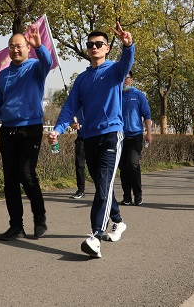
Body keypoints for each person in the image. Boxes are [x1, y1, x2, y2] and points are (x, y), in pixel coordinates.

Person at [48, 23, 134, 258]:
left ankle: (95, 236)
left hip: (111, 135)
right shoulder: (82, 79)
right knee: (101, 185)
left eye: (99, 44)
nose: (94, 47)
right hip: (89, 137)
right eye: (90, 45)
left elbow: (127, 62)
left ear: (107, 48)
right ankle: (118, 220)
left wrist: (128, 45)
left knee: (104, 184)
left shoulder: (115, 70)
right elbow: (70, 107)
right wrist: (58, 129)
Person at [0, 24, 52, 241]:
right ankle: (16, 226)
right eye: (11, 46)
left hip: (30, 128)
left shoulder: (36, 68)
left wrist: (40, 47)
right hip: (8, 130)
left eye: (19, 46)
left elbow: (48, 62)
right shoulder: (3, 75)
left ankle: (39, 218)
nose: (15, 50)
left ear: (27, 48)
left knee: (26, 174)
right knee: (10, 181)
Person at [119, 72, 153, 206]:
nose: (124, 80)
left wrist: (149, 134)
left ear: (132, 80)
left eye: (126, 78)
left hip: (135, 135)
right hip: (119, 136)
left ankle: (138, 194)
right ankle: (127, 197)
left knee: (132, 164)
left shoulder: (138, 95)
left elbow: (147, 115)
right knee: (123, 167)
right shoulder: (115, 95)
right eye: (122, 77)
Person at [70, 113, 87, 199]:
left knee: (96, 166)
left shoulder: (95, 106)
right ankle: (81, 190)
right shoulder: (77, 109)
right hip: (81, 140)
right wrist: (73, 125)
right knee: (79, 165)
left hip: (93, 139)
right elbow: (71, 122)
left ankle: (101, 189)